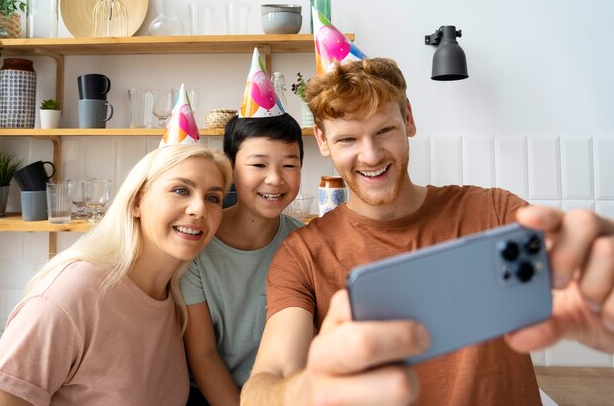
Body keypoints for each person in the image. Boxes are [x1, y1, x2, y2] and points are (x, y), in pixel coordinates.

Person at [240, 57, 614, 406]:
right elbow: (264, 384)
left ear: (409, 120)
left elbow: (576, 268)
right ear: (323, 142)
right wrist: (307, 389)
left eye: (384, 130)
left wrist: (599, 264)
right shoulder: (303, 255)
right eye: (347, 139)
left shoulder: (495, 213)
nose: (370, 155)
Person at [0, 144, 233, 406]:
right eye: (181, 190)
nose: (199, 209)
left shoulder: (174, 297)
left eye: (213, 198)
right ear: (137, 201)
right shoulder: (74, 292)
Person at [180, 48, 305, 406]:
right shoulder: (196, 246)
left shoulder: (304, 242)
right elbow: (203, 355)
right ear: (231, 168)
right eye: (258, 164)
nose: (275, 180)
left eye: (290, 165)